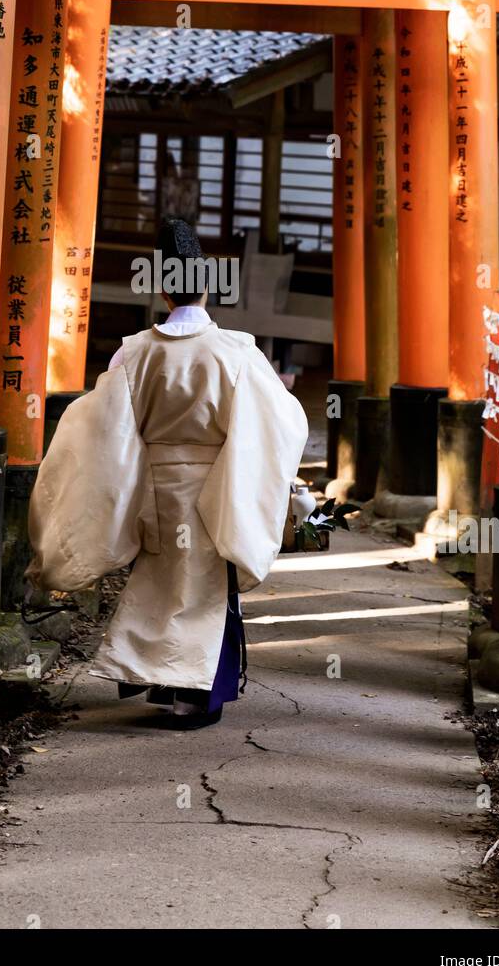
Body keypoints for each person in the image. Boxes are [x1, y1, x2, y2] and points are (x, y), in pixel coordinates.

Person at [26, 217, 308, 730]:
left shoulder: (133, 352)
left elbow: (101, 426)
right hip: (215, 486)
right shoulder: (235, 352)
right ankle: (194, 699)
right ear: (207, 287)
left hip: (156, 485)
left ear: (161, 289)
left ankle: (162, 683)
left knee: (159, 584)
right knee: (204, 590)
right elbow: (280, 420)